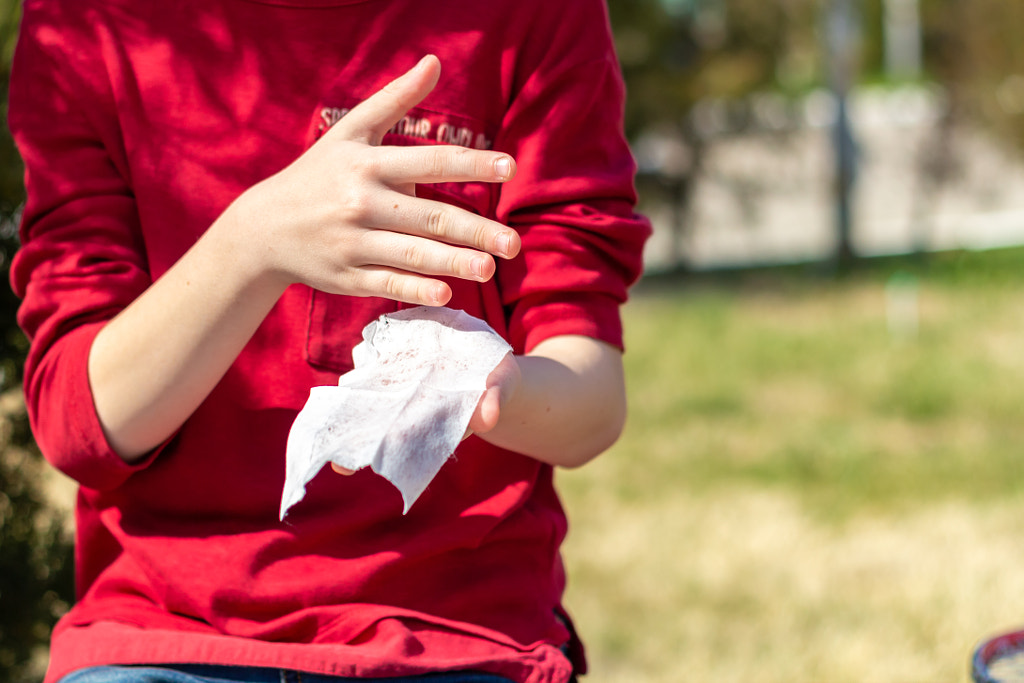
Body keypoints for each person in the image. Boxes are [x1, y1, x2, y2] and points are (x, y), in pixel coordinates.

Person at [8, 0, 650, 681]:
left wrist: (504, 389)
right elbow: (79, 427)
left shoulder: (535, 16)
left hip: (456, 637)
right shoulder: (87, 20)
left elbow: (591, 399)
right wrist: (252, 244)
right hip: (165, 635)